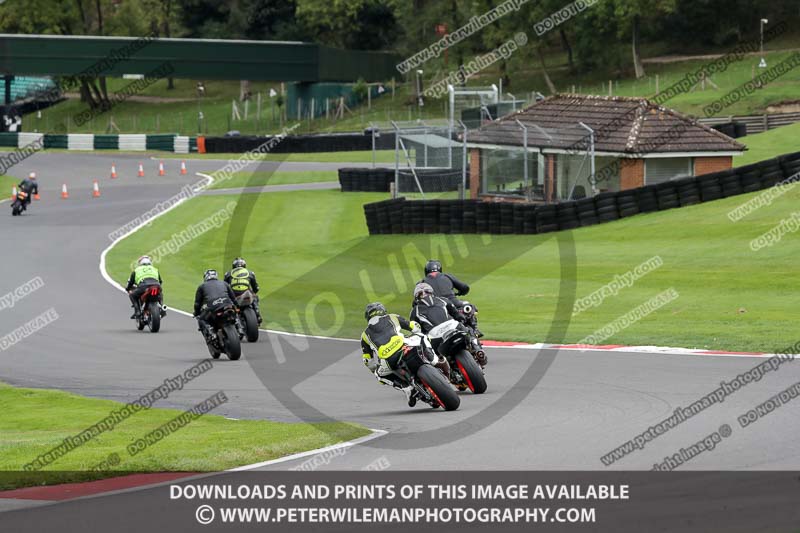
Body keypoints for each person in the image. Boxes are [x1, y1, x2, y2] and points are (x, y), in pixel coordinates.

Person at [361, 302, 424, 407]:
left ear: (368, 317)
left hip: (388, 358)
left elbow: (368, 361)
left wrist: (374, 369)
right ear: (383, 311)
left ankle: (405, 387)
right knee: (422, 337)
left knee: (379, 374)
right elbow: (414, 326)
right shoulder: (392, 317)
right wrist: (417, 331)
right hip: (404, 345)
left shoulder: (364, 335)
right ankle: (434, 360)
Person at [410, 282, 485, 369]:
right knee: (469, 329)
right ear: (431, 292)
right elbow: (457, 315)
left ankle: (442, 371)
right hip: (453, 326)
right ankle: (477, 349)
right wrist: (462, 319)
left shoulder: (414, 312)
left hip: (435, 336)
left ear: (416, 297)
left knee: (428, 352)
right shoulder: (442, 300)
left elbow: (417, 331)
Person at [419, 259, 482, 337]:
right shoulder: (447, 276)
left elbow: (418, 300)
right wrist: (460, 293)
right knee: (470, 307)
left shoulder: (422, 282)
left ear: (426, 270)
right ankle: (475, 329)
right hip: (454, 303)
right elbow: (465, 288)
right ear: (440, 269)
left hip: (438, 308)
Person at [193, 269, 237, 340]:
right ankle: (238, 324)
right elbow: (233, 297)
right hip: (227, 304)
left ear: (206, 277)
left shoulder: (202, 286)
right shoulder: (224, 283)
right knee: (234, 312)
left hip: (214, 306)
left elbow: (197, 303)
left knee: (201, 319)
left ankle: (210, 332)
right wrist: (236, 305)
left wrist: (196, 313)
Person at [224, 257, 262, 323]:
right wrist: (254, 292)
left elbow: (224, 287)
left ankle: (231, 317)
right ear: (244, 265)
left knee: (227, 299)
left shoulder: (228, 274)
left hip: (234, 295)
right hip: (246, 294)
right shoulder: (250, 273)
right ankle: (257, 313)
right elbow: (256, 288)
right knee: (255, 296)